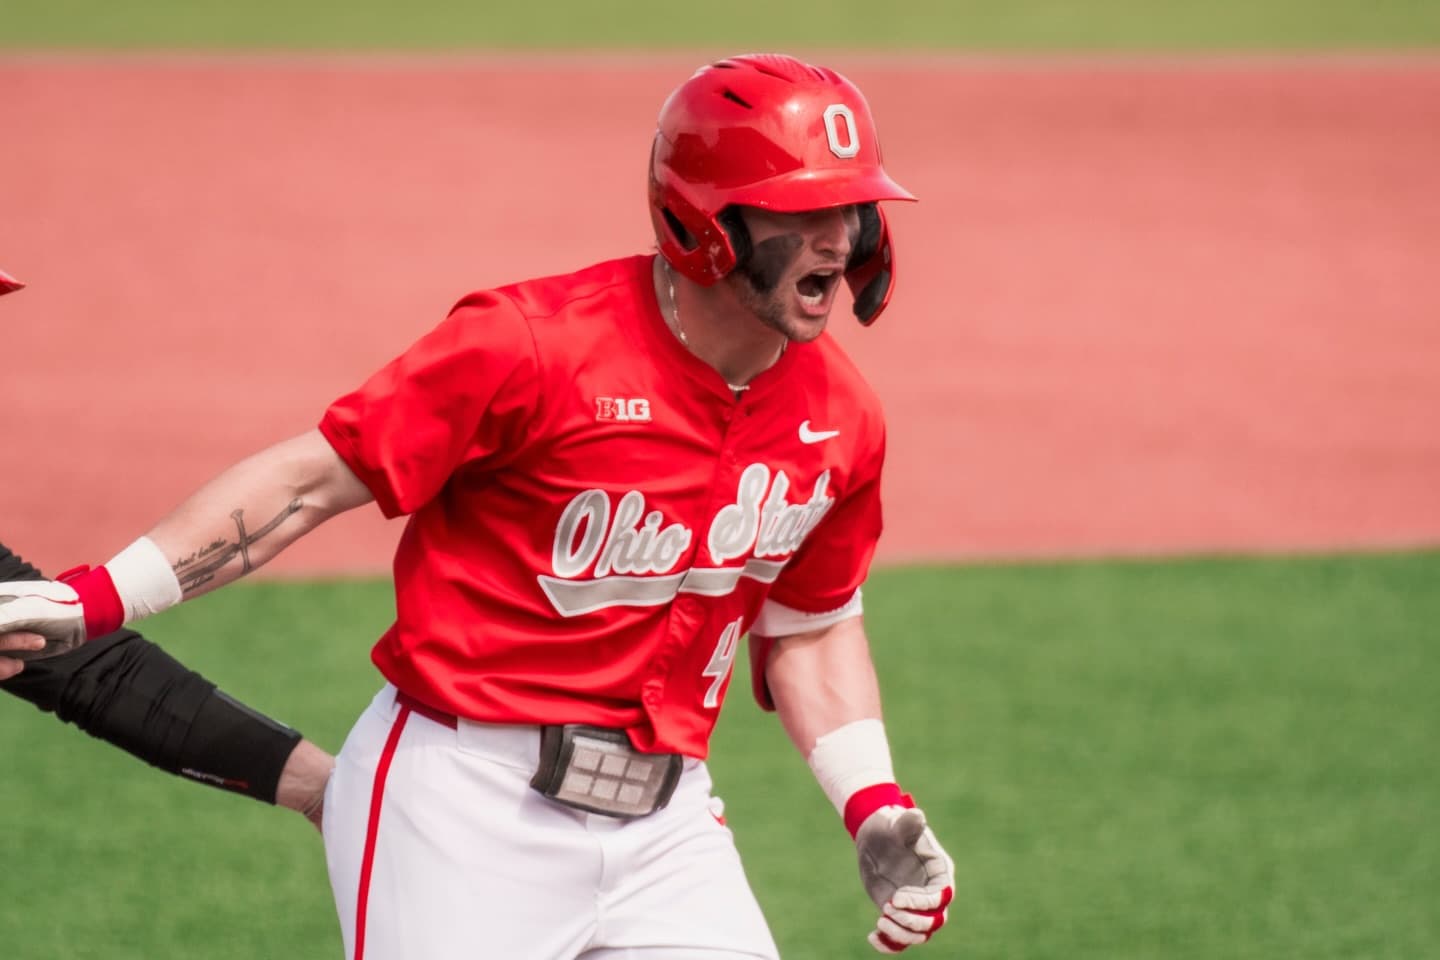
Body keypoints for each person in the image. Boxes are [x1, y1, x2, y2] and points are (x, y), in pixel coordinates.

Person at [0, 54, 955, 958]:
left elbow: (811, 624)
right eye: (806, 210)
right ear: (707, 222)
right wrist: (102, 593)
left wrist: (871, 799)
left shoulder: (843, 415)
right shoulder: (532, 347)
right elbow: (306, 485)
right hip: (464, 803)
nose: (842, 238)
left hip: (668, 823)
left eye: (854, 208)